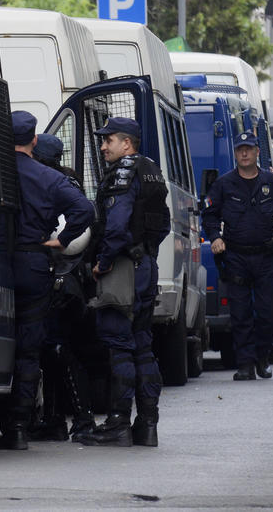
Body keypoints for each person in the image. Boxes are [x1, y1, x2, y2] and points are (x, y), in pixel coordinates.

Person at [0, 112, 95, 450]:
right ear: (34, 141)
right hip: (34, 263)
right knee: (28, 349)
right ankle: (18, 428)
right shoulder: (49, 177)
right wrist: (62, 240)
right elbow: (84, 210)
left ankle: (3, 418)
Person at [79, 117, 170, 447]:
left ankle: (118, 423)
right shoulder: (151, 170)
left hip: (122, 267)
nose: (103, 146)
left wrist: (103, 262)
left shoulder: (123, 172)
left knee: (119, 344)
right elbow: (162, 224)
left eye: (109, 140)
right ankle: (147, 425)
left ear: (127, 143)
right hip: (145, 262)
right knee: (143, 346)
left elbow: (116, 225)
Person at [202, 132, 273, 381]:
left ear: (257, 152)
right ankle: (245, 364)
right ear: (235, 153)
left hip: (266, 257)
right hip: (236, 256)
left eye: (248, 149)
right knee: (240, 313)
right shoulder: (224, 184)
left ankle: (263, 358)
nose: (244, 153)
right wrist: (215, 238)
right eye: (240, 150)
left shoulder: (272, 183)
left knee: (268, 313)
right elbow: (210, 215)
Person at [27, 133, 98, 443]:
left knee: (58, 348)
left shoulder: (55, 185)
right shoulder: (63, 182)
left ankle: (82, 418)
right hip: (64, 279)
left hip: (63, 279)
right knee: (50, 350)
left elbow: (75, 234)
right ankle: (55, 419)